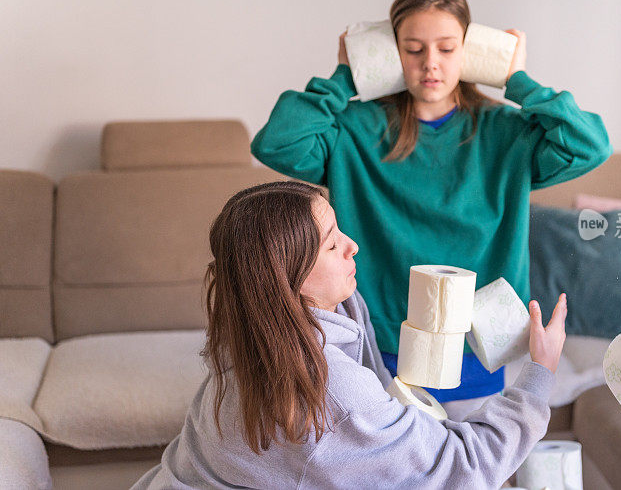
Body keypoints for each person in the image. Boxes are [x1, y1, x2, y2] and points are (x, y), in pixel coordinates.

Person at [251, 0, 611, 414]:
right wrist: (347, 75)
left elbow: (589, 144)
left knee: (474, 471)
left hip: (480, 347)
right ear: (390, 50)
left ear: (470, 49)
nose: (430, 64)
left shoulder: (508, 133)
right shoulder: (353, 130)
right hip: (383, 342)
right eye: (413, 48)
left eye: (447, 47)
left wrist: (515, 78)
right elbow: (275, 143)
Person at [131, 181, 568, 489]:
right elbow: (463, 469)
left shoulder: (250, 325)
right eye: (330, 244)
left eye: (339, 229)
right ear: (291, 278)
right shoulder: (328, 393)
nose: (352, 245)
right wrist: (539, 373)